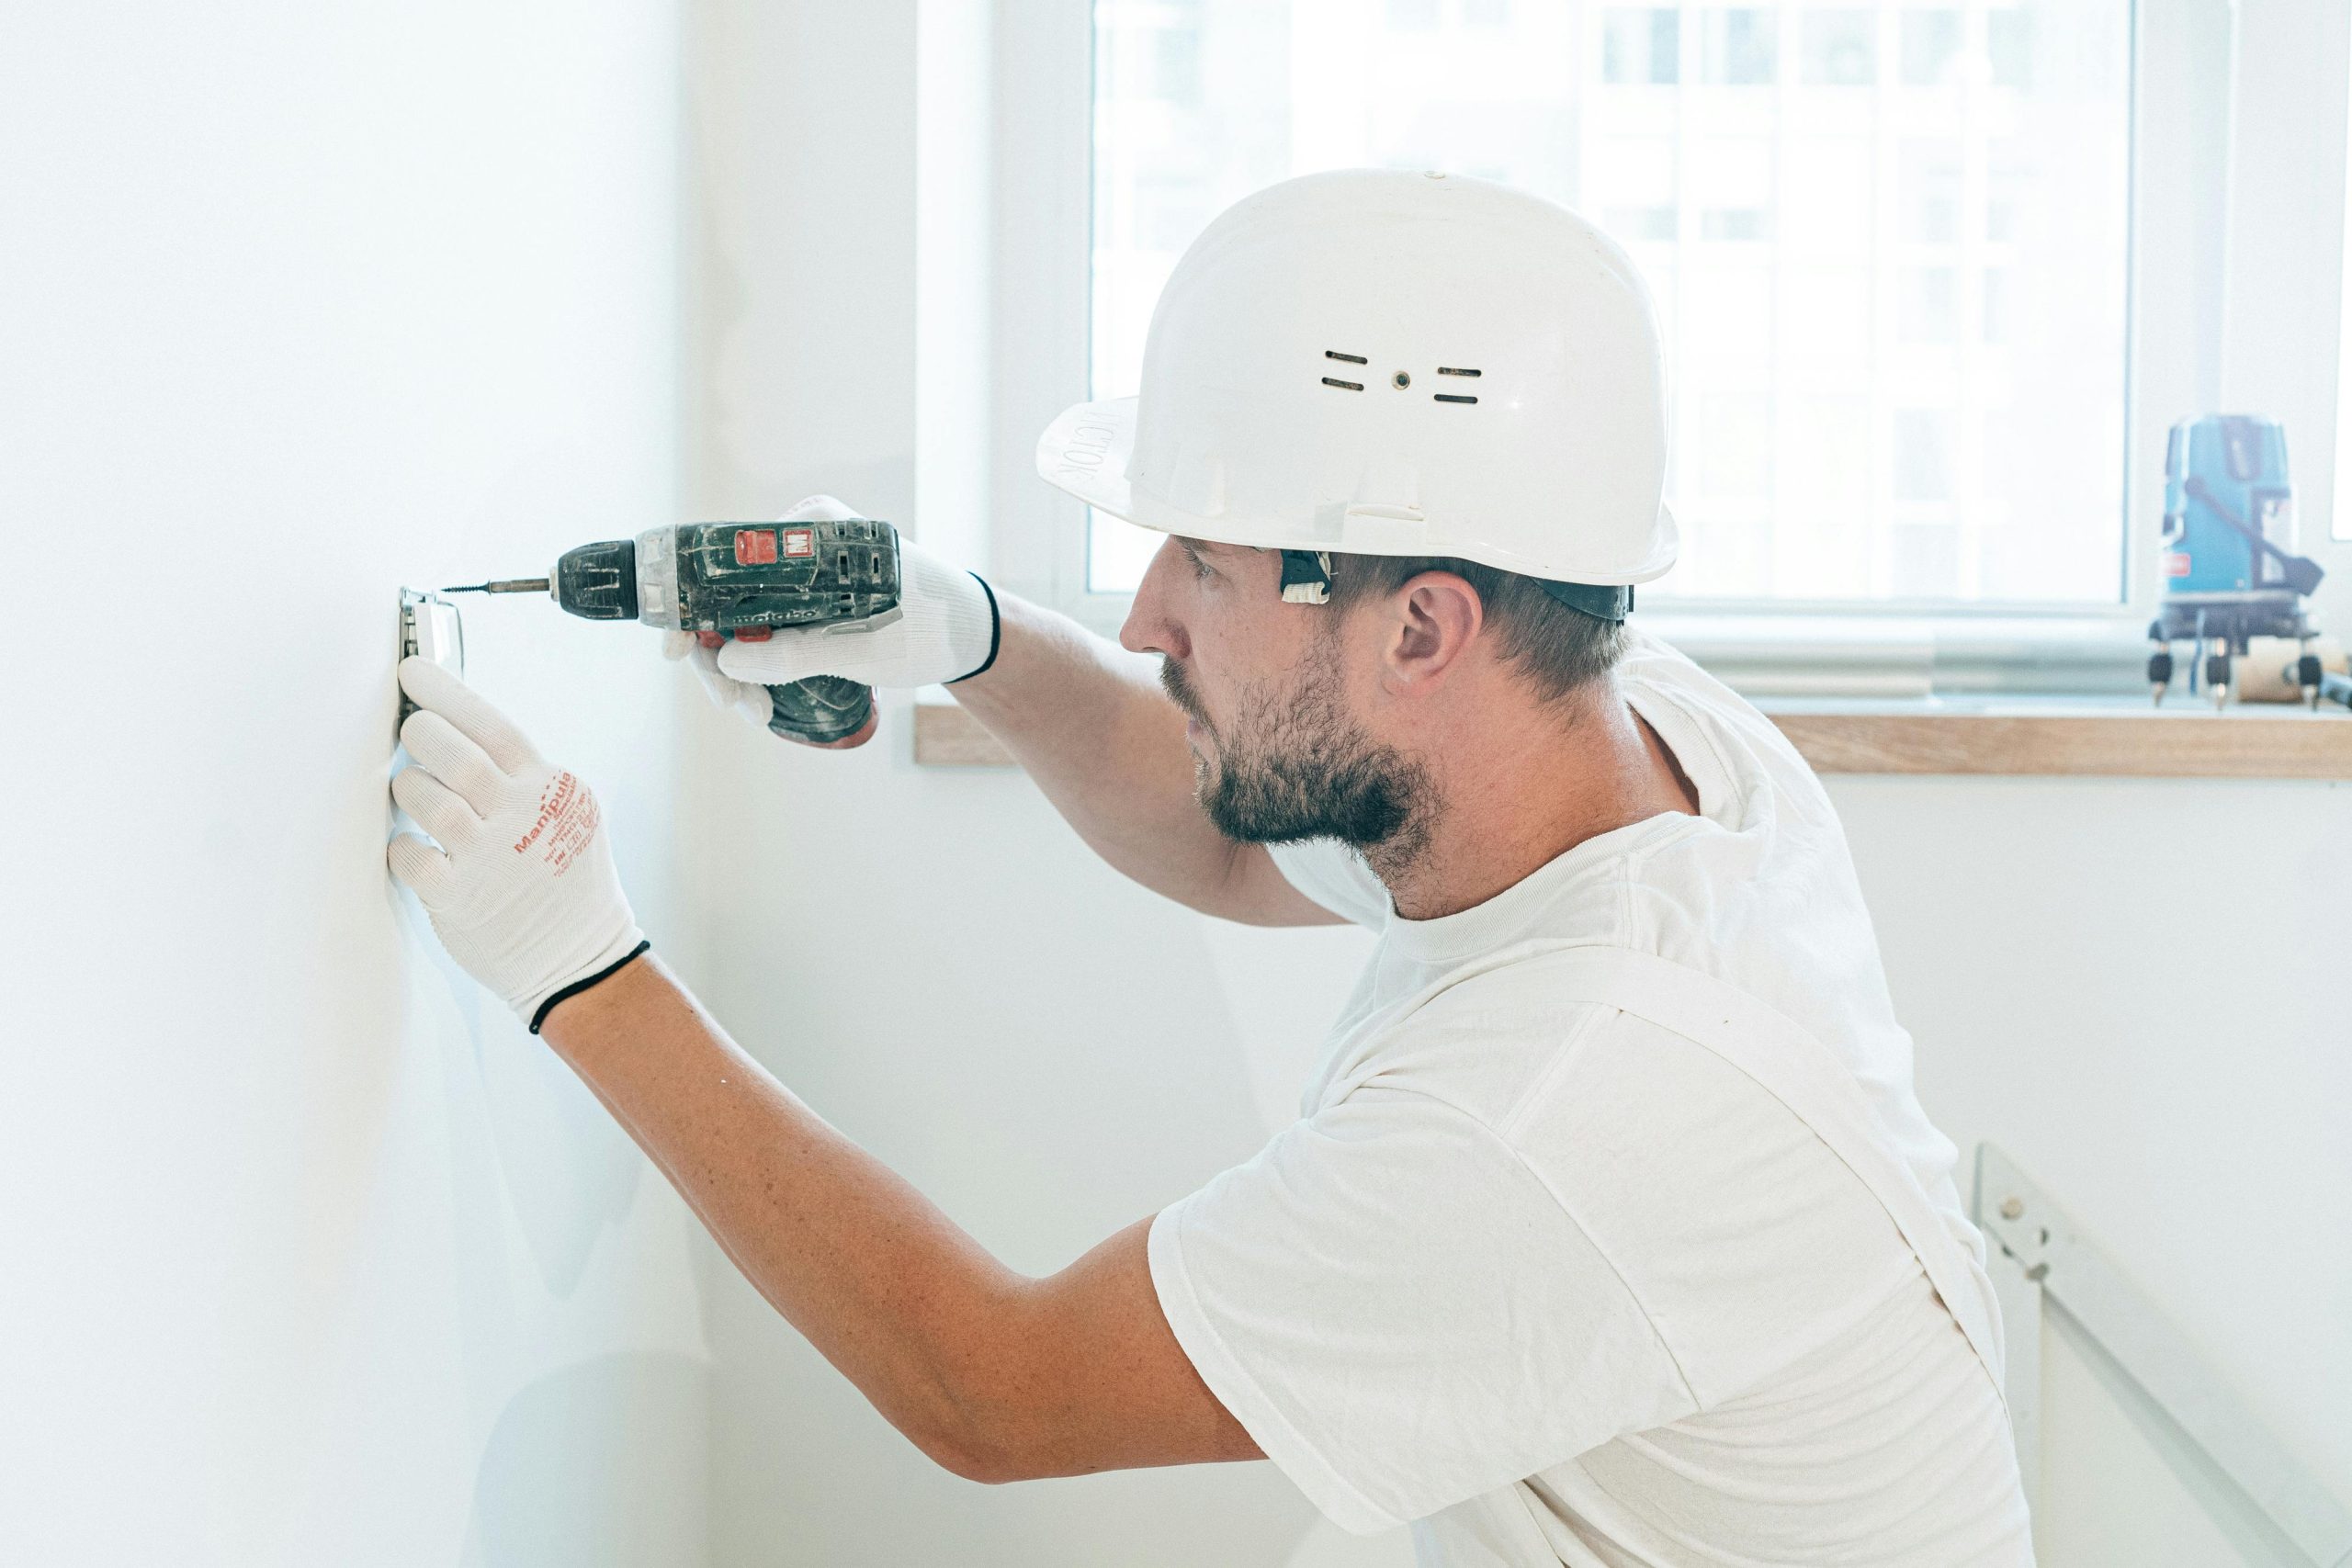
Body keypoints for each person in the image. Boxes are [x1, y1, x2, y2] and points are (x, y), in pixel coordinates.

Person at [389, 170, 2032, 1564]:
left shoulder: (1573, 1110)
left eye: (1210, 566)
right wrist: (969, 636)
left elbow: (993, 1391)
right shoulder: (1619, 739)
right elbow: (1235, 837)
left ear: (1421, 626)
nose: (1146, 615)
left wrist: (581, 970)